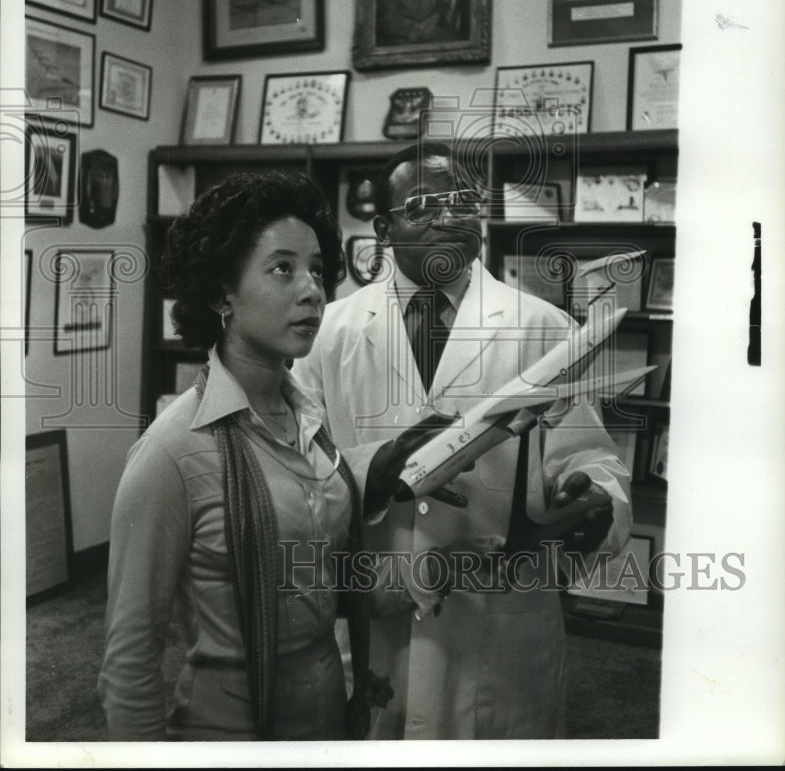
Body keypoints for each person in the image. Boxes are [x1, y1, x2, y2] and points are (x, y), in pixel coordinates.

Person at [293, 140, 633, 739]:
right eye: (424, 203)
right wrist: (375, 471)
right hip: (378, 611)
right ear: (383, 227)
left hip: (497, 621)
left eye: (463, 200)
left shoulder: (542, 327)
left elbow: (592, 458)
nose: (449, 216)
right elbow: (293, 468)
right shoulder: (329, 333)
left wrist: (599, 503)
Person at [97, 170, 411, 742]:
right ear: (223, 293)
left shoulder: (309, 424)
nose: (312, 289)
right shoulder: (172, 451)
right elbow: (130, 659)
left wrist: (433, 576)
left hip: (327, 718)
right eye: (282, 268)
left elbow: (316, 582)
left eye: (317, 269)